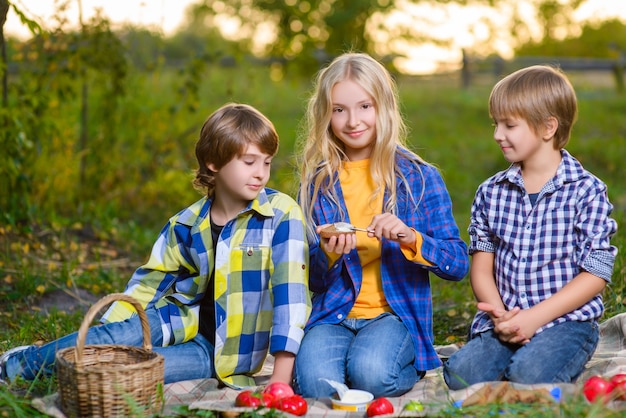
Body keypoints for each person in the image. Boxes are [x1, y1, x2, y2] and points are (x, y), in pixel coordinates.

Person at [0, 103, 311, 388]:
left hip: (216, 355)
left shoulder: (281, 215)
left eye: (266, 162)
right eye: (249, 161)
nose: (261, 173)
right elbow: (149, 283)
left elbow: (291, 295)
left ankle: (45, 364)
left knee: (126, 376)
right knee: (108, 343)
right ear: (214, 163)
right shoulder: (186, 224)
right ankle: (18, 365)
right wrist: (113, 336)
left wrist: (280, 379)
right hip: (172, 322)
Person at [293, 52, 469, 398]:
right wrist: (327, 256)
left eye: (364, 107)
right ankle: (352, 364)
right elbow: (311, 279)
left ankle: (413, 363)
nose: (352, 121)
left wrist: (410, 236)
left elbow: (458, 262)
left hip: (393, 314)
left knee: (371, 376)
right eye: (338, 110)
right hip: (334, 314)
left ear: (383, 108)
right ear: (325, 115)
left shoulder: (419, 178)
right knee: (313, 385)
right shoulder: (319, 184)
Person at [443, 65, 618, 390]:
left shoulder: (587, 191)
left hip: (566, 321)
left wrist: (534, 319)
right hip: (504, 319)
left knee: (529, 375)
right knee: (459, 375)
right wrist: (500, 315)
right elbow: (481, 269)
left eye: (509, 125)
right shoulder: (491, 192)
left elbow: (595, 274)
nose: (497, 134)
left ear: (548, 127)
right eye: (495, 124)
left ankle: (535, 363)